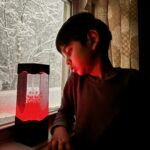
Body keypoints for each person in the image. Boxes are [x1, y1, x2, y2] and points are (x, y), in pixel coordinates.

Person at [48, 12, 145, 150]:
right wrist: (59, 128)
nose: (67, 62)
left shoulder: (132, 81)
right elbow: (64, 111)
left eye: (69, 52)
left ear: (92, 40)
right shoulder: (75, 81)